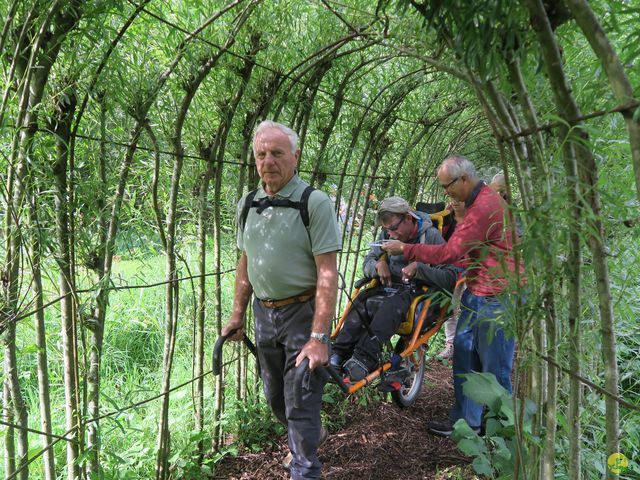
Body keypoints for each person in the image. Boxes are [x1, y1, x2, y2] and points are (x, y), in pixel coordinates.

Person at [221, 120, 341, 479]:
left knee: (301, 397)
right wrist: (237, 313)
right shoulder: (248, 204)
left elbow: (327, 273)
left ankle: (305, 469)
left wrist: (319, 337)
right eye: (261, 154)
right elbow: (246, 261)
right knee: (275, 394)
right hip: (265, 314)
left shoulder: (313, 203)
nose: (267, 161)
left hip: (302, 313)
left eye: (276, 152)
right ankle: (307, 438)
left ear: (295, 156)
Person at [382, 155, 524, 437]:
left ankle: (501, 431)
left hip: (498, 296)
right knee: (464, 356)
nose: (445, 192)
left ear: (464, 180)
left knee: (495, 368)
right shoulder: (476, 204)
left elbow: (449, 253)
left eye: (447, 186)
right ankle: (465, 422)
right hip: (478, 290)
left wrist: (406, 250)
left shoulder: (484, 207)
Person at [330, 196, 457, 381]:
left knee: (392, 306)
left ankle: (363, 359)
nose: (391, 235)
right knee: (361, 302)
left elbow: (450, 276)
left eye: (394, 228)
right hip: (388, 286)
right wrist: (377, 266)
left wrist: (420, 268)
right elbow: (367, 261)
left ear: (408, 217)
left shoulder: (430, 236)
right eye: (386, 230)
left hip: (415, 290)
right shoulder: (387, 234)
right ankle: (338, 354)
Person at [438, 199, 467, 360]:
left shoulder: (475, 219)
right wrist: (446, 216)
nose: (455, 202)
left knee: (467, 308)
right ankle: (451, 344)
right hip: (449, 270)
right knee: (450, 308)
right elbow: (438, 240)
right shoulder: (447, 218)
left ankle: (466, 344)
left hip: (469, 270)